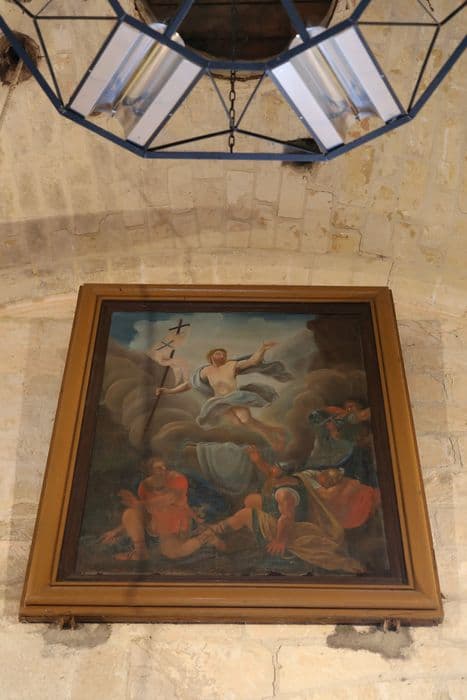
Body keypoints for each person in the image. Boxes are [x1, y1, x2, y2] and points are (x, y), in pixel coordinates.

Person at [208, 445, 364, 573]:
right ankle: (239, 530)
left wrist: (280, 541)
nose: (272, 469)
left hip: (287, 524)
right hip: (280, 511)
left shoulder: (285, 493)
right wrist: (258, 460)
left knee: (245, 514)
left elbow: (287, 517)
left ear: (282, 473)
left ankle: (219, 530)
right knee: (251, 500)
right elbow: (269, 472)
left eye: (275, 468)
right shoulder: (293, 479)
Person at [156, 343, 291, 450]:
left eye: (223, 354)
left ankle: (272, 439)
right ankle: (272, 429)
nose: (221, 355)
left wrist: (262, 348)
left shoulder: (231, 365)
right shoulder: (205, 371)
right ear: (211, 356)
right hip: (219, 402)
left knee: (245, 420)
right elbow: (188, 384)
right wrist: (168, 391)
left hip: (235, 397)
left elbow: (252, 361)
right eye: (218, 353)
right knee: (238, 423)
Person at [100, 454, 225, 560]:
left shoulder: (178, 479)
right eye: (159, 468)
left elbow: (169, 499)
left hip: (177, 522)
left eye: (165, 466)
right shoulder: (144, 486)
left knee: (171, 552)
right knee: (129, 513)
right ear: (150, 472)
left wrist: (139, 504)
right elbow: (142, 510)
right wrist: (117, 531)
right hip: (154, 523)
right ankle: (140, 551)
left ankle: (205, 537)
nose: (164, 470)